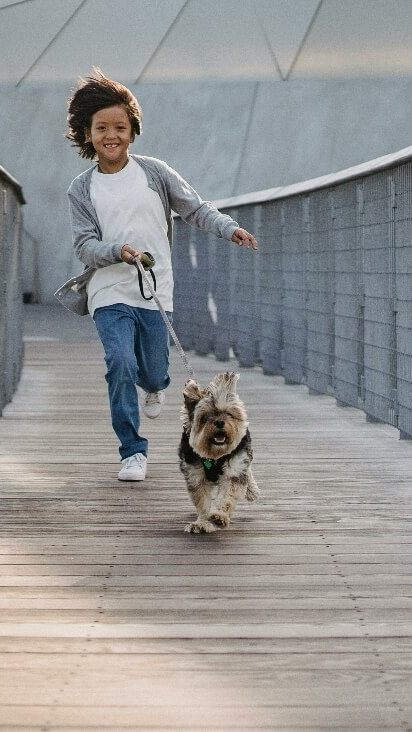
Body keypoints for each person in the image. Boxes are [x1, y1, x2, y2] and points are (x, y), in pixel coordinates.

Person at [62, 69, 258, 482]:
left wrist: (229, 228)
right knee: (119, 363)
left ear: (133, 130)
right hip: (107, 289)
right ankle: (132, 451)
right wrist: (118, 251)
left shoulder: (154, 173)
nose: (111, 135)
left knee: (151, 371)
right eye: (101, 128)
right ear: (87, 133)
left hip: (153, 291)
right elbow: (84, 245)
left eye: (120, 126)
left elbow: (196, 208)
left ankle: (156, 385)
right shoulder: (81, 189)